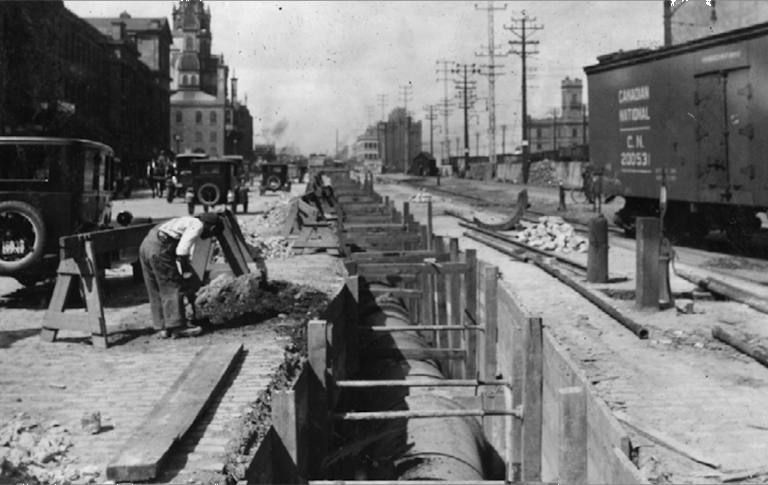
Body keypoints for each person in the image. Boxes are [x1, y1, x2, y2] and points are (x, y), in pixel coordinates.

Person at [139, 213, 224, 338]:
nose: (208, 237)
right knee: (173, 287)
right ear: (212, 228)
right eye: (212, 234)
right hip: (160, 248)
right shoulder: (197, 225)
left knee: (155, 288)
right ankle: (177, 327)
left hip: (147, 245)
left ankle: (162, 327)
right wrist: (185, 272)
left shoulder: (186, 220)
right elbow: (182, 251)